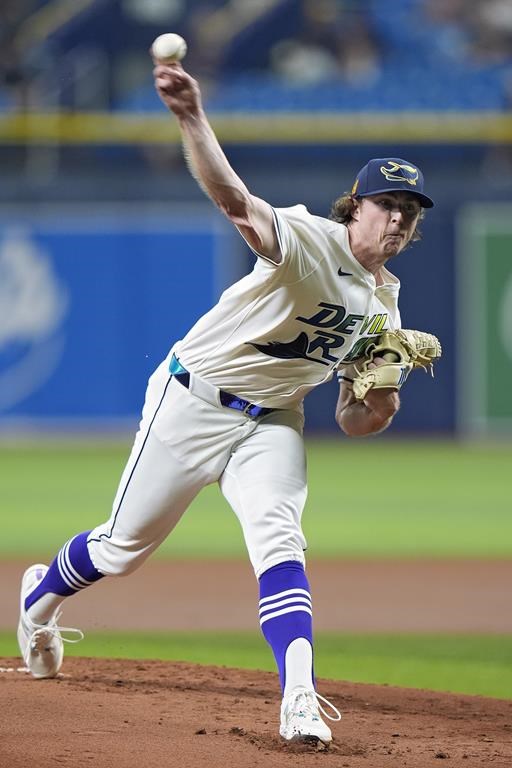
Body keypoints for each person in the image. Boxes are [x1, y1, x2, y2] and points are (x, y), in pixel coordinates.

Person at [17, 57, 434, 745]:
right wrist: (190, 116)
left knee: (280, 537)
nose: (399, 220)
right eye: (388, 204)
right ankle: (38, 602)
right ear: (355, 206)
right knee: (123, 549)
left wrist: (382, 402)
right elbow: (235, 200)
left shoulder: (387, 301)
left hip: (273, 422)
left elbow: (354, 421)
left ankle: (300, 697)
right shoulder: (306, 240)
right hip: (192, 402)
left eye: (411, 212)